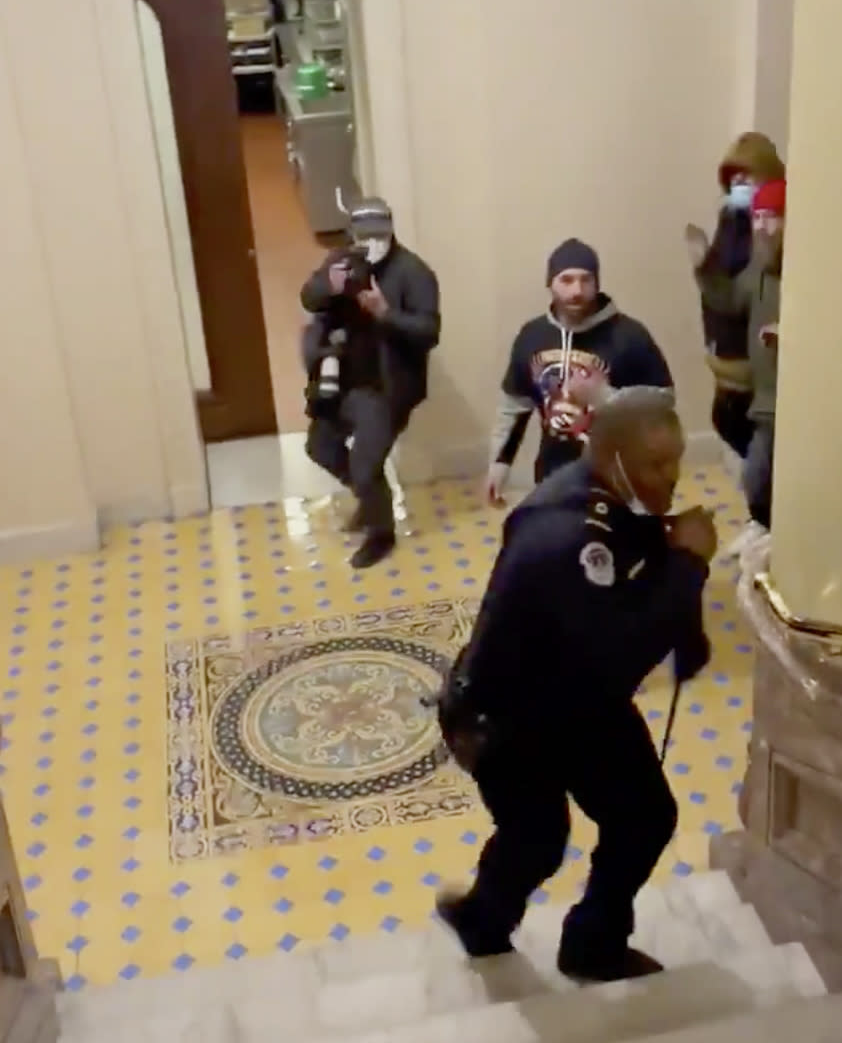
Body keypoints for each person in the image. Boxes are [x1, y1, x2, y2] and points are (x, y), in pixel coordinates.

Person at [435, 388, 716, 982]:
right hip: (506, 717)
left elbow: (643, 570)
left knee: (644, 818)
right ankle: (482, 920)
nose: (671, 478)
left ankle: (593, 943)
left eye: (675, 461)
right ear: (610, 456)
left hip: (574, 698)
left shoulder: (617, 498)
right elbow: (617, 653)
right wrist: (692, 566)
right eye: (654, 465)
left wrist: (685, 621)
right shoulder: (565, 536)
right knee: (537, 836)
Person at [300, 198, 440, 568]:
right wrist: (328, 287)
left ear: (392, 231)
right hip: (341, 381)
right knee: (320, 447)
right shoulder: (341, 260)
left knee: (365, 464)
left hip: (387, 387)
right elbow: (309, 297)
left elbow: (429, 332)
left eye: (379, 234)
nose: (371, 243)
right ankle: (371, 498)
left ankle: (381, 533)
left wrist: (385, 314)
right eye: (364, 235)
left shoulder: (414, 272)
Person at [486, 239, 672, 503]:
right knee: (557, 540)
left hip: (620, 475)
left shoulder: (629, 335)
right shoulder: (532, 336)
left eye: (586, 280)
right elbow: (515, 405)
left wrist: (605, 396)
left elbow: (664, 398)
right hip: (553, 474)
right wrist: (500, 463)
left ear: (597, 283)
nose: (577, 290)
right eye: (567, 280)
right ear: (550, 283)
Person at [687, 178, 784, 534]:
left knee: (757, 474)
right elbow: (727, 300)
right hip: (764, 397)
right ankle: (767, 528)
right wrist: (704, 267)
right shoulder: (757, 271)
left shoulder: (803, 274)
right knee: (760, 473)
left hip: (788, 400)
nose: (762, 227)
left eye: (772, 218)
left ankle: (766, 529)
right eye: (757, 218)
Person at [692, 132, 785, 460]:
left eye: (747, 174)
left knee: (759, 469)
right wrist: (703, 263)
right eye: (733, 177)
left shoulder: (776, 237)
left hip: (757, 377)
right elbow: (722, 292)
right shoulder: (729, 220)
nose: (739, 183)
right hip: (724, 369)